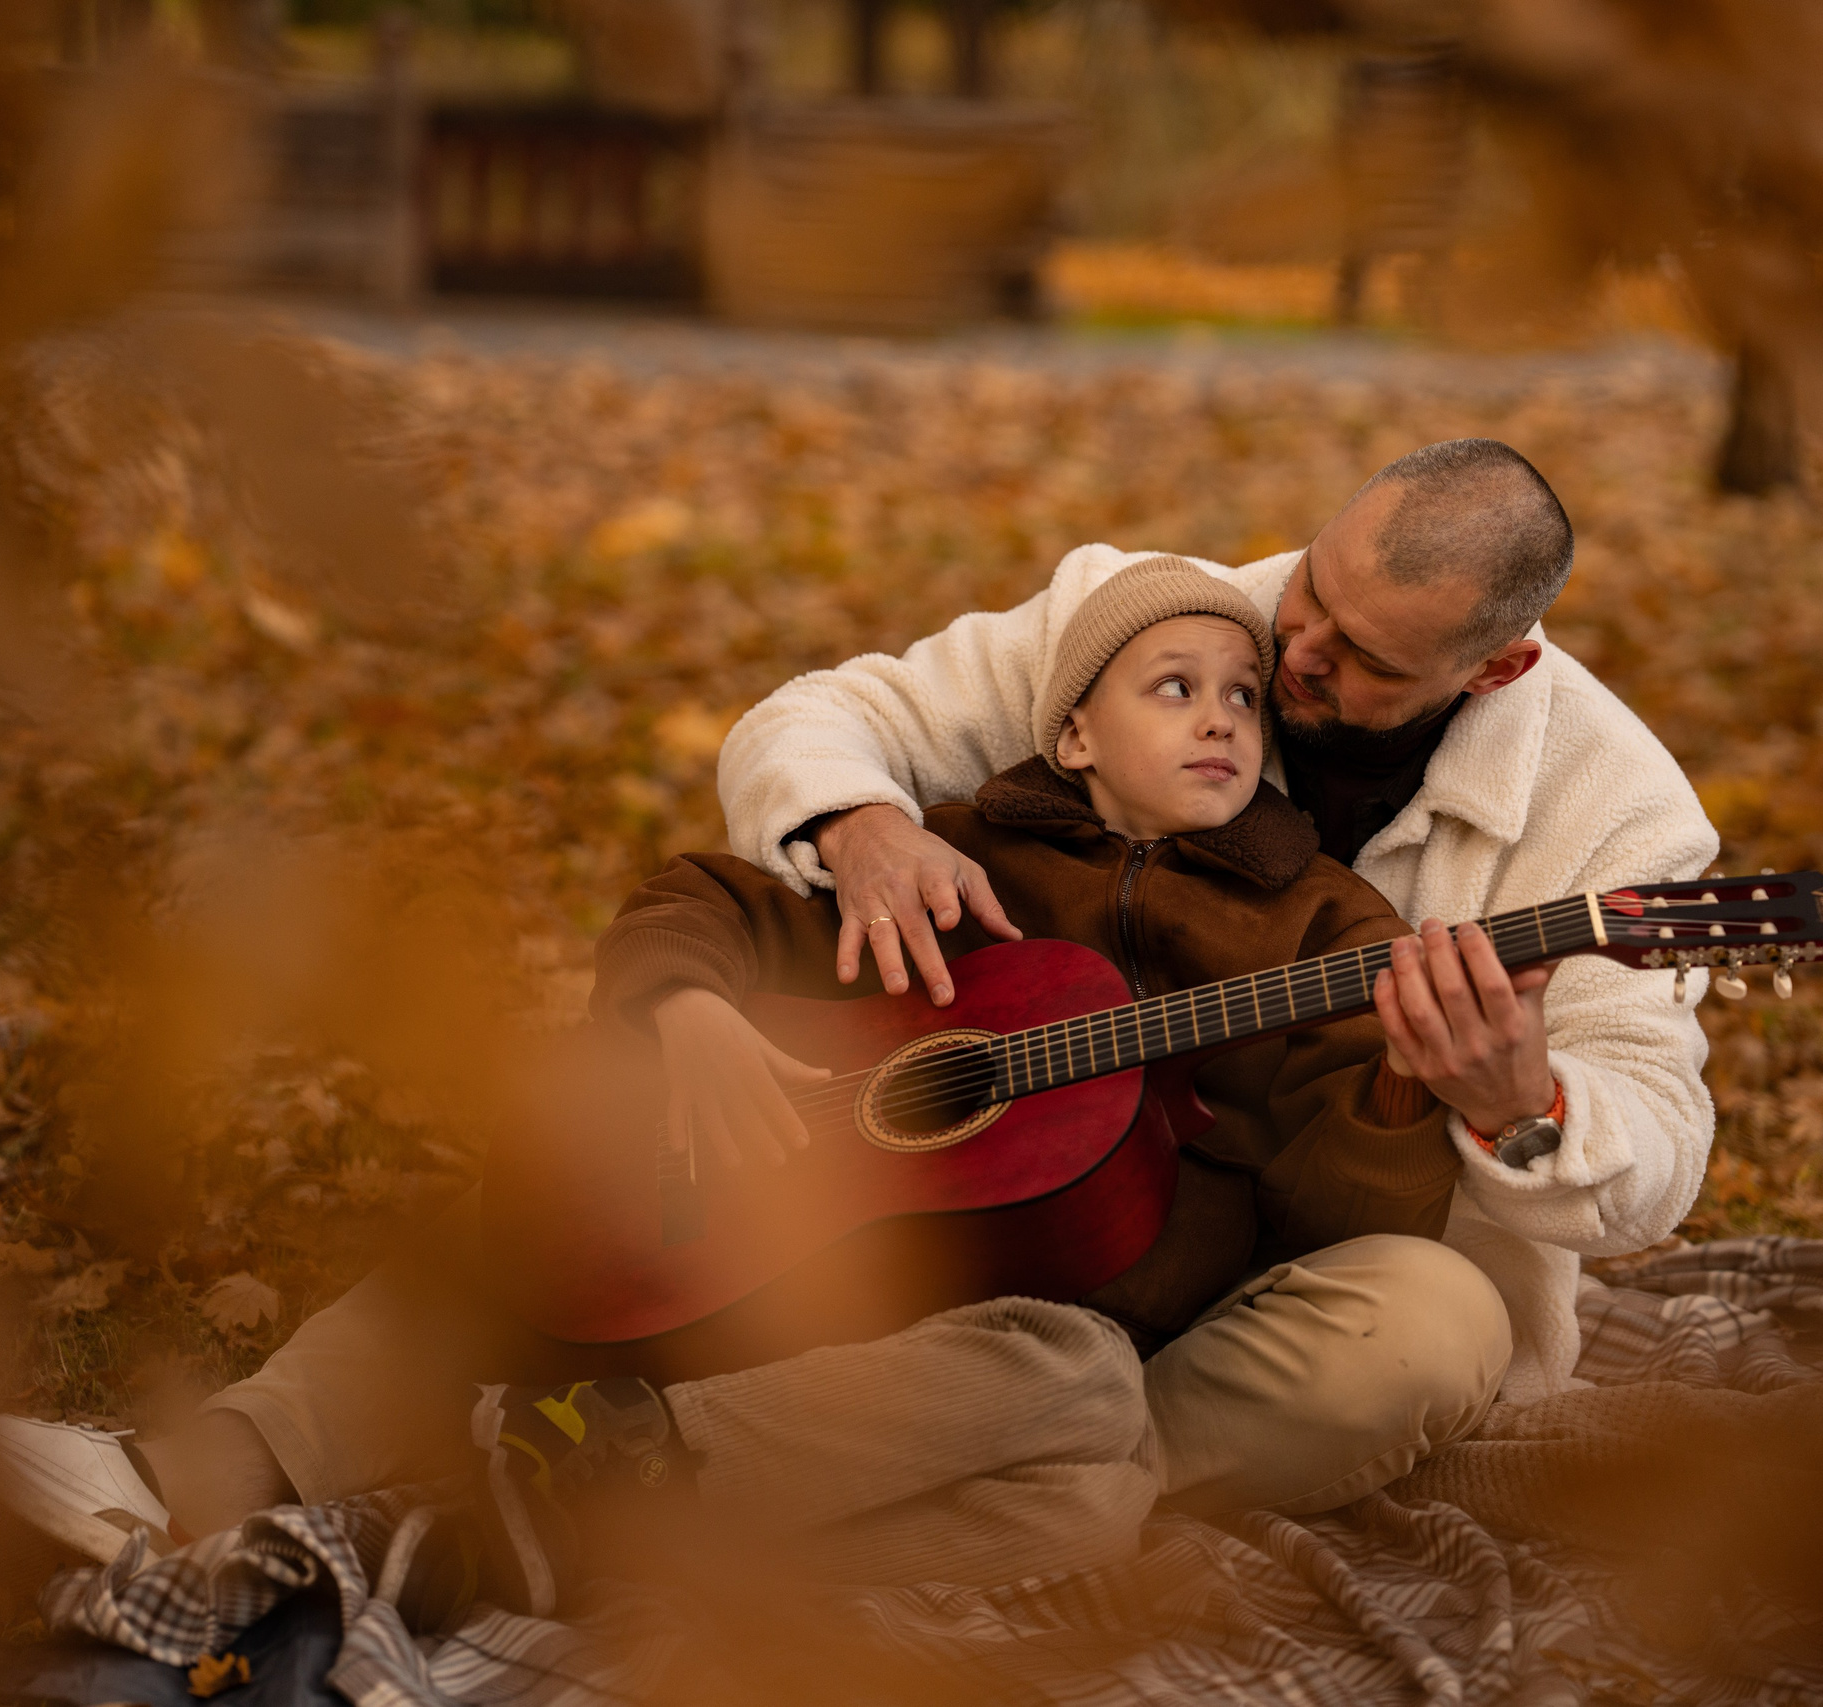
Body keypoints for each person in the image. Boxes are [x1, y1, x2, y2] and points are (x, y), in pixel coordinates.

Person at [0, 558, 1512, 1597]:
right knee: (553, 1203)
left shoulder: (1329, 926)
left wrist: (1412, 1088)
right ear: (1071, 730)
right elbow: (706, 899)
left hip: (980, 1351)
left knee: (1092, 1468)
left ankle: (564, 1519)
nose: (1220, 716)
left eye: (1242, 698)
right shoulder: (964, 853)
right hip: (789, 1237)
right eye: (1171, 686)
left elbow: (1345, 1221)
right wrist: (689, 1013)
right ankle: (198, 1463)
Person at [714, 437, 1719, 1412]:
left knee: (1434, 1328)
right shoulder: (1151, 621)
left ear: (1495, 669)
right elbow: (822, 716)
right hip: (1018, 1218)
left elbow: (1659, 1154)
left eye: (1367, 657)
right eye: (1314, 587)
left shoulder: (1621, 809)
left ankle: (1032, 1433)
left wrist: (1521, 1107)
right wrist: (861, 824)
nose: (1298, 652)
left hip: (1323, 1289)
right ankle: (1038, 1435)